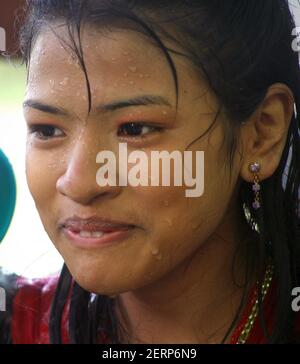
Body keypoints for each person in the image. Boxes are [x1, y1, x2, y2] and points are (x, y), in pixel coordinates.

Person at [0, 0, 300, 344]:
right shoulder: (15, 324)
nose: (79, 183)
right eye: (47, 130)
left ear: (262, 133)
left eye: (135, 129)